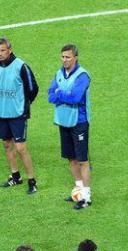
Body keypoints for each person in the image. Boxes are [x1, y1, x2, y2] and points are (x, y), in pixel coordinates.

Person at [0, 38, 38, 193]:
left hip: (17, 113)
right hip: (1, 112)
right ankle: (15, 176)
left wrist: (24, 104)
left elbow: (33, 88)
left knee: (20, 147)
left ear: (10, 50)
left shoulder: (21, 66)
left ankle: (32, 181)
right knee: (6, 144)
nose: (0, 53)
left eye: (3, 50)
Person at [48, 44, 91, 210]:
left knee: (83, 160)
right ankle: (79, 191)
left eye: (68, 57)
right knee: (71, 158)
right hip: (64, 121)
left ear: (75, 58)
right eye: (63, 57)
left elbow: (75, 98)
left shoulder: (83, 76)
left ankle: (86, 198)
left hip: (79, 122)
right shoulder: (59, 74)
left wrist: (59, 93)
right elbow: (50, 96)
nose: (65, 60)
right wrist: (61, 94)